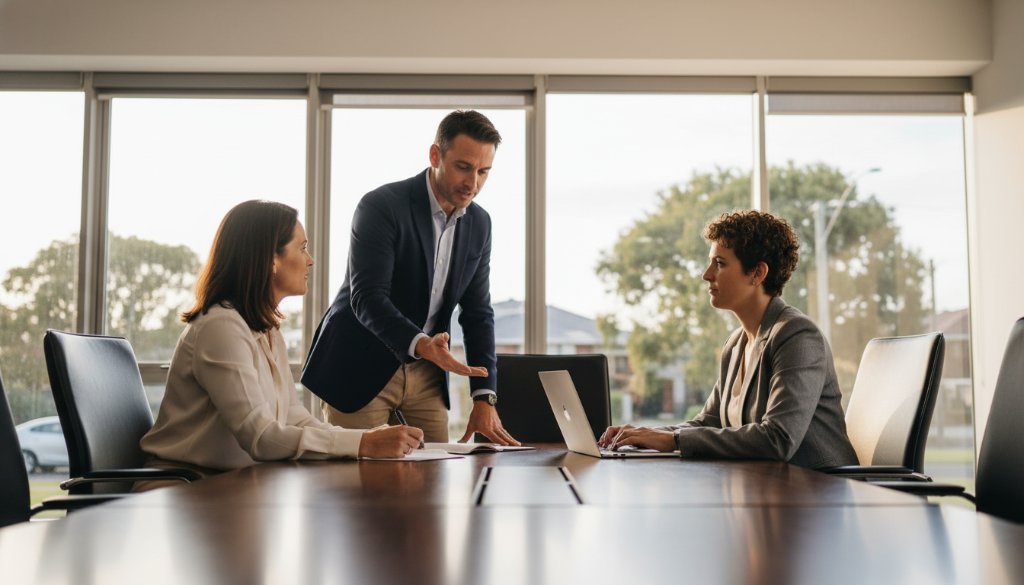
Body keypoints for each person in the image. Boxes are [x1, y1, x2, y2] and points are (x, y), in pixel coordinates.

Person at [139, 200, 423, 480]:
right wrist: (363, 444)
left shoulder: (266, 330)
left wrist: (367, 438)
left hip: (232, 485)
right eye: (302, 248)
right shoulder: (221, 327)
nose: (310, 259)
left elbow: (293, 417)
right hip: (184, 489)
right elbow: (261, 437)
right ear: (271, 260)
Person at [302, 110, 519, 446]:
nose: (473, 182)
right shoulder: (381, 206)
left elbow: (478, 313)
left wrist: (484, 396)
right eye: (463, 166)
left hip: (426, 375)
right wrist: (422, 344)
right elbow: (368, 297)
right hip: (359, 365)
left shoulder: (479, 224)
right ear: (436, 155)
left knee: (432, 481)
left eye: (483, 171)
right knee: (357, 487)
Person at [599, 210, 857, 470]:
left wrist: (673, 439)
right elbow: (707, 423)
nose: (707, 274)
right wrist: (642, 435)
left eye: (719, 263)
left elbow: (778, 438)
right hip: (769, 488)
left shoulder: (798, 336)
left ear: (757, 273)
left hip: (821, 494)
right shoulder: (736, 344)